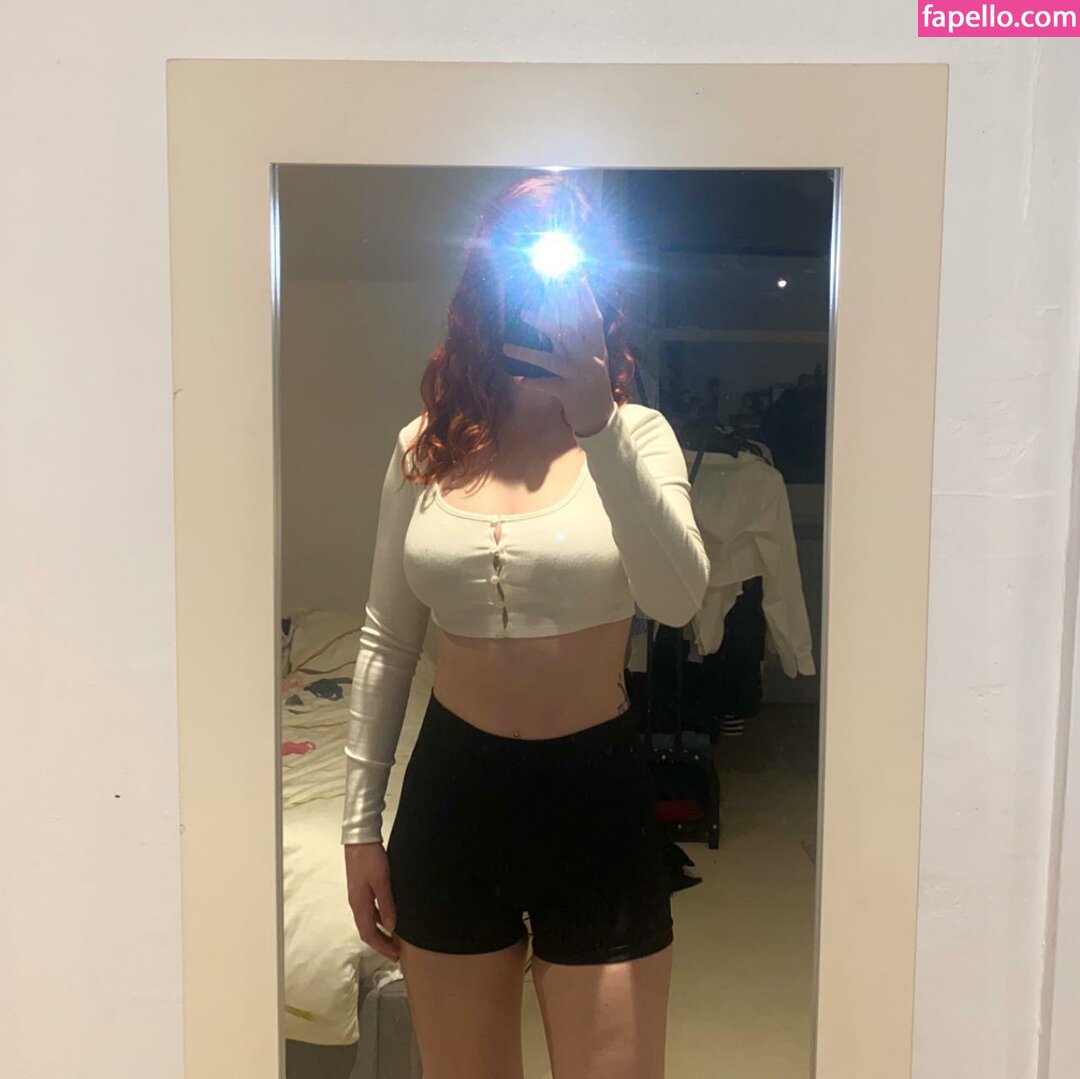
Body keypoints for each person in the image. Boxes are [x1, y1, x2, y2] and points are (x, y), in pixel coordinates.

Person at [342, 174, 710, 1079]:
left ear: (598, 301)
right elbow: (387, 640)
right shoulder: (424, 446)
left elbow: (677, 600)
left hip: (597, 794)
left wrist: (596, 420)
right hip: (453, 794)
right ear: (482, 293)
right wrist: (359, 824)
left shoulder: (638, 435)